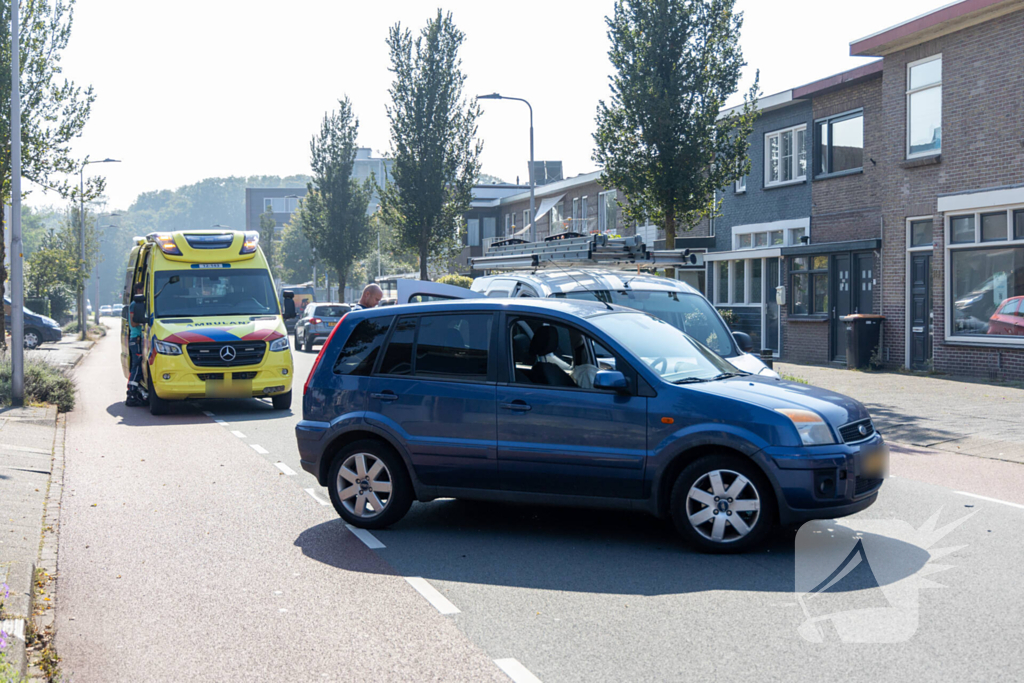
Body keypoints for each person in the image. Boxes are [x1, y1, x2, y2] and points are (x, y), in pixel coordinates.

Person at [125, 283, 148, 407]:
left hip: (138, 339)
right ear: (139, 290)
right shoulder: (135, 305)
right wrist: (144, 321)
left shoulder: (136, 304)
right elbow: (133, 323)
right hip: (136, 339)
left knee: (138, 366)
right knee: (137, 367)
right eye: (143, 290)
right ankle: (131, 395)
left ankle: (135, 393)